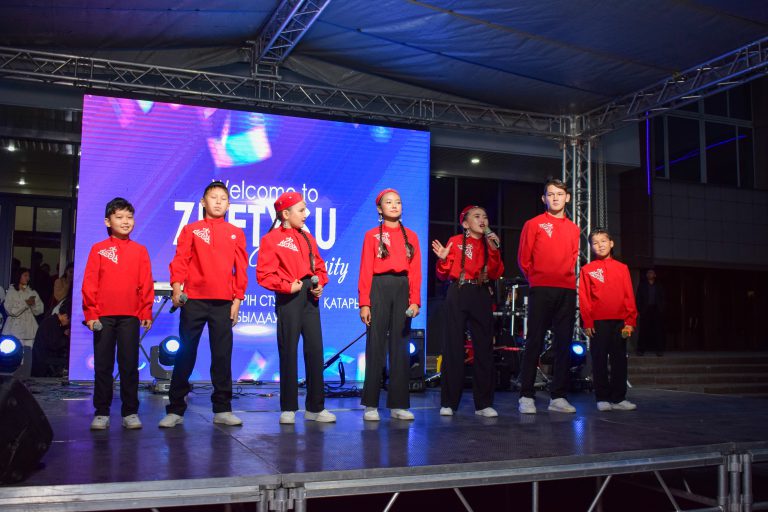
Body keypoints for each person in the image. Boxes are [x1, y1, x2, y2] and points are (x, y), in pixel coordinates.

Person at [160, 181, 248, 428]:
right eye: (213, 197)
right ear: (203, 202)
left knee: (222, 356)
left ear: (228, 204)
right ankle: (175, 409)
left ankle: (223, 408)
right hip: (194, 301)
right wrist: (177, 288)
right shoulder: (191, 230)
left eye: (223, 198)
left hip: (223, 302)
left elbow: (240, 269)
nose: (218, 202)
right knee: (186, 353)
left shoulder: (235, 233)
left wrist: (237, 300)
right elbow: (180, 261)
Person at [257, 191, 336, 425]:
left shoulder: (308, 237)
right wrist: (286, 286)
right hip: (288, 297)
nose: (305, 214)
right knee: (288, 351)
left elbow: (319, 267)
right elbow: (264, 274)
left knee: (315, 350)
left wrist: (320, 284)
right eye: (301, 210)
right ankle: (289, 407)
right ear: (285, 213)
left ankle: (315, 407)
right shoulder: (271, 239)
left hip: (310, 297)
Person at [82, 197, 154, 430]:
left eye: (129, 217)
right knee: (103, 365)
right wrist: (91, 314)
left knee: (129, 365)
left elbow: (146, 283)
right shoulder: (99, 249)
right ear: (107, 221)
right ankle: (101, 412)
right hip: (103, 316)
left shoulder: (140, 250)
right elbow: (90, 283)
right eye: (119, 217)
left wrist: (146, 310)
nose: (125, 221)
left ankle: (130, 412)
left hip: (130, 316)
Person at [432, 205, 503, 418]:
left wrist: (494, 248)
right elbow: (442, 274)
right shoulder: (455, 241)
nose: (482, 220)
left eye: (485, 216)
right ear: (465, 224)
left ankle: (483, 404)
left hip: (481, 292)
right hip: (459, 290)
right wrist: (443, 259)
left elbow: (496, 271)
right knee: (453, 346)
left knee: (484, 348)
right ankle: (449, 402)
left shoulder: (489, 243)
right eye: (477, 216)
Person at [517, 178, 580, 414]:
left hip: (566, 290)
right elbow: (524, 258)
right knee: (534, 341)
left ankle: (559, 396)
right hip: (541, 289)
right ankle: (526, 395)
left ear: (567, 198)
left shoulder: (574, 228)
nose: (555, 198)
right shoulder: (533, 224)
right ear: (544, 198)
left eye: (559, 194)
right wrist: (537, 279)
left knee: (563, 343)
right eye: (550, 194)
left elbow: (572, 257)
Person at [358, 189, 422, 421]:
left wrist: (415, 300)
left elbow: (415, 270)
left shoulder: (411, 236)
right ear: (379, 208)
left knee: (400, 346)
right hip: (379, 286)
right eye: (388, 202)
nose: (394, 205)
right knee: (375, 345)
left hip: (402, 287)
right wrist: (364, 303)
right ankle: (371, 404)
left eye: (398, 202)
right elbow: (366, 269)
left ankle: (398, 404)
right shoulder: (372, 235)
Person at [578, 228, 638, 412]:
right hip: (598, 322)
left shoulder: (622, 268)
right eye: (595, 243)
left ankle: (619, 398)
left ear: (611, 243)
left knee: (620, 360)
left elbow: (629, 295)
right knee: (599, 359)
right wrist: (588, 322)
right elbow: (585, 299)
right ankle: (602, 397)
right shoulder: (587, 269)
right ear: (591, 247)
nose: (600, 245)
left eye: (603, 241)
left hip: (620, 321)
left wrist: (630, 321)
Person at [3, 267, 44, 377]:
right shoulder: (12, 292)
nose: (27, 278)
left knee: (28, 357)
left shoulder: (32, 292)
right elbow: (11, 311)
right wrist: (26, 304)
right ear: (19, 276)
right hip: (15, 330)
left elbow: (39, 310)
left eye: (28, 276)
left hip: (29, 329)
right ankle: (13, 378)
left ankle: (26, 378)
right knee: (15, 355)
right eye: (25, 275)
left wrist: (33, 305)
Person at [32, 298, 71, 378]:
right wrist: (65, 336)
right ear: (65, 316)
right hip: (44, 362)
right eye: (69, 320)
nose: (68, 323)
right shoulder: (51, 323)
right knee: (67, 362)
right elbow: (54, 344)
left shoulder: (52, 321)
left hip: (44, 358)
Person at [636, 268, 665, 356]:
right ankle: (640, 350)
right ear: (646, 275)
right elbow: (638, 298)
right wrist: (640, 310)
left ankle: (659, 350)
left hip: (656, 309)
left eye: (652, 273)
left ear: (655, 275)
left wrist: (661, 309)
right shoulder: (642, 285)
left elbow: (663, 298)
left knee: (658, 330)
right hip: (645, 309)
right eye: (648, 273)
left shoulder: (659, 285)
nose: (650, 274)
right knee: (643, 330)